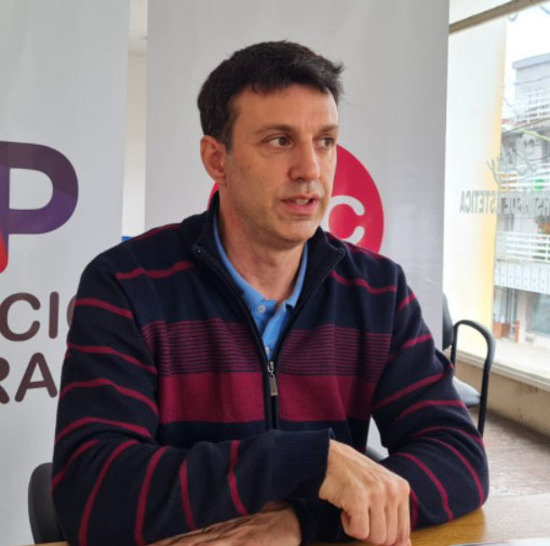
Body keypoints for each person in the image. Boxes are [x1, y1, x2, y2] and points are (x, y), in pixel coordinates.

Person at [52, 41, 488, 546]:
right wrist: (301, 460)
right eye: (280, 141)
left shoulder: (378, 291)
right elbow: (92, 493)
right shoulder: (126, 284)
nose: (311, 169)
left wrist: (303, 523)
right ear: (217, 159)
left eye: (325, 141)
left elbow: (458, 457)